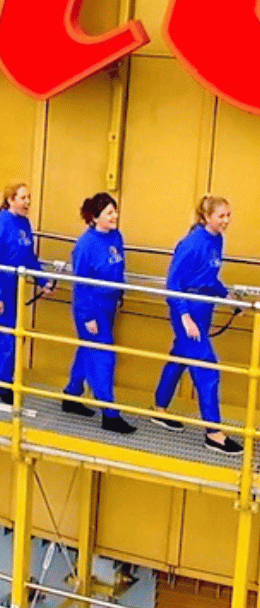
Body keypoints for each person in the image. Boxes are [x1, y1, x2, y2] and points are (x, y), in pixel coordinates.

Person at [151, 196, 241, 456]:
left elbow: (209, 277)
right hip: (188, 309)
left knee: (180, 356)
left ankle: (159, 407)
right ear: (207, 217)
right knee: (207, 368)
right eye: (221, 216)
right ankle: (213, 432)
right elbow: (173, 283)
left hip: (204, 306)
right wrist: (184, 316)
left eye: (228, 215)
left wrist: (226, 297)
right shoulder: (192, 243)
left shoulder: (216, 240)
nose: (226, 221)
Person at [62, 193, 136, 434]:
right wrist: (87, 317)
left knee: (88, 350)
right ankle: (109, 413)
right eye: (109, 213)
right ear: (95, 217)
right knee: (103, 355)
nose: (115, 216)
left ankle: (72, 395)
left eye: (115, 211)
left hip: (109, 304)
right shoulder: (85, 245)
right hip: (91, 307)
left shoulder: (116, 237)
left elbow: (118, 267)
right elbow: (80, 283)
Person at [0, 183, 53, 405]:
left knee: (7, 334)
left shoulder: (24, 224)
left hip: (13, 286)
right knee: (9, 335)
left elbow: (28, 258)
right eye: (23, 198)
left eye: (29, 197)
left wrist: (43, 280)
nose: (27, 202)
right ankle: (3, 383)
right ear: (11, 200)